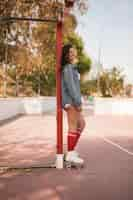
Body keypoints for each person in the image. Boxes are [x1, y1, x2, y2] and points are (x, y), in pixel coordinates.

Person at [61, 44, 86, 166]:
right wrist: (77, 102)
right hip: (70, 102)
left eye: (73, 51)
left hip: (73, 101)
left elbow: (75, 86)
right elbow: (71, 87)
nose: (72, 54)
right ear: (66, 56)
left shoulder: (72, 68)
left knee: (81, 124)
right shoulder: (68, 68)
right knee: (73, 126)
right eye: (69, 52)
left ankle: (71, 151)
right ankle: (70, 153)